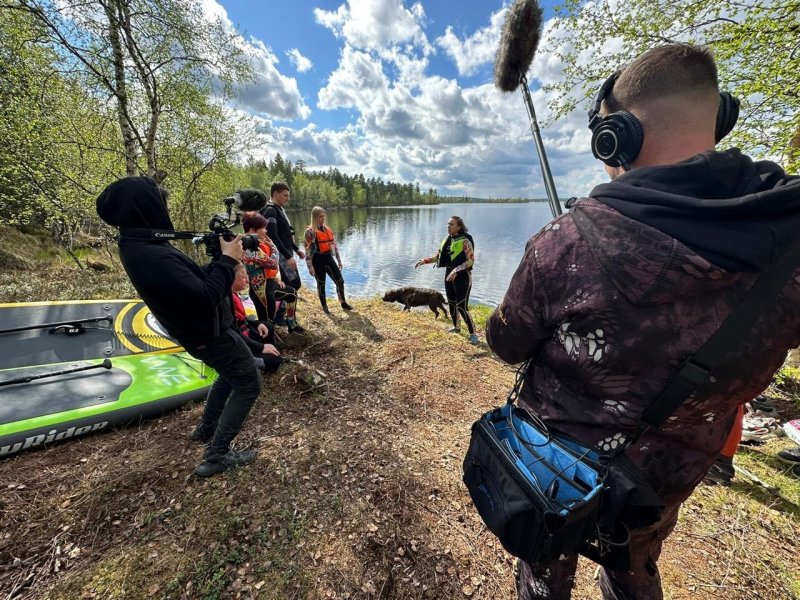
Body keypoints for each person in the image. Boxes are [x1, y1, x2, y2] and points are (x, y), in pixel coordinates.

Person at [485, 44, 800, 599]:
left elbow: (506, 342)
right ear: (719, 118)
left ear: (617, 137)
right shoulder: (789, 242)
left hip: (555, 470)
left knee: (545, 568)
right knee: (634, 566)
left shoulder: (565, 245)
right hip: (665, 481)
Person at [96, 176, 262, 478]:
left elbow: (190, 284)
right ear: (146, 208)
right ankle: (217, 455)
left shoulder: (141, 244)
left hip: (199, 331)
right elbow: (204, 297)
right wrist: (227, 261)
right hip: (207, 333)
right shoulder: (151, 255)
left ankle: (205, 430)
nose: (165, 207)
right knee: (249, 382)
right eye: (160, 202)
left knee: (228, 375)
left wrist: (218, 262)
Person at [415, 216, 478, 345]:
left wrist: (457, 270)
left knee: (461, 306)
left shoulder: (465, 241)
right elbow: (438, 257)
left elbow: (470, 260)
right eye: (447, 224)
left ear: (459, 227)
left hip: (463, 276)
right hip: (449, 274)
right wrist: (424, 261)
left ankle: (473, 334)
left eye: (451, 224)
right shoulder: (447, 240)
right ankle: (457, 327)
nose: (448, 226)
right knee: (451, 303)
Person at [241, 213, 304, 333]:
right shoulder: (249, 248)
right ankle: (268, 345)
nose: (266, 231)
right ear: (253, 229)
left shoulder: (258, 243)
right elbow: (273, 263)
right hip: (261, 292)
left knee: (292, 294)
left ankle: (291, 323)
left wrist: (277, 278)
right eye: (263, 228)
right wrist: (274, 246)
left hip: (269, 285)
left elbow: (274, 268)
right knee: (267, 322)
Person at [230, 262, 283, 373]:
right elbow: (234, 333)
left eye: (247, 276)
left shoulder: (234, 294)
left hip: (245, 334)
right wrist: (260, 347)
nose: (247, 281)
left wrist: (257, 323)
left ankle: (270, 351)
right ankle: (261, 360)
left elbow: (242, 318)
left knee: (267, 325)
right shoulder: (227, 300)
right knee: (276, 360)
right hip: (238, 345)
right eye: (243, 277)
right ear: (231, 278)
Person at [304, 206, 353, 314]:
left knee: (340, 281)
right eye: (320, 217)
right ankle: (325, 307)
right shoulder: (310, 232)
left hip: (328, 258)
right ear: (315, 217)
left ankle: (343, 302)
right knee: (321, 284)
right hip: (317, 260)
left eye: (324, 216)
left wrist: (339, 260)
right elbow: (307, 251)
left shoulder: (328, 230)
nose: (323, 219)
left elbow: (334, 246)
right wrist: (310, 266)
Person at [260, 182, 304, 291]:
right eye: (285, 195)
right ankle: (280, 305)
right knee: (294, 283)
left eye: (288, 196)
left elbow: (285, 234)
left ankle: (282, 304)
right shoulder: (270, 211)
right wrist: (288, 256)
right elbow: (273, 236)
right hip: (281, 255)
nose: (287, 198)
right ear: (275, 194)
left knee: (288, 282)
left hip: (285, 251)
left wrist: (296, 249)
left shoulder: (278, 209)